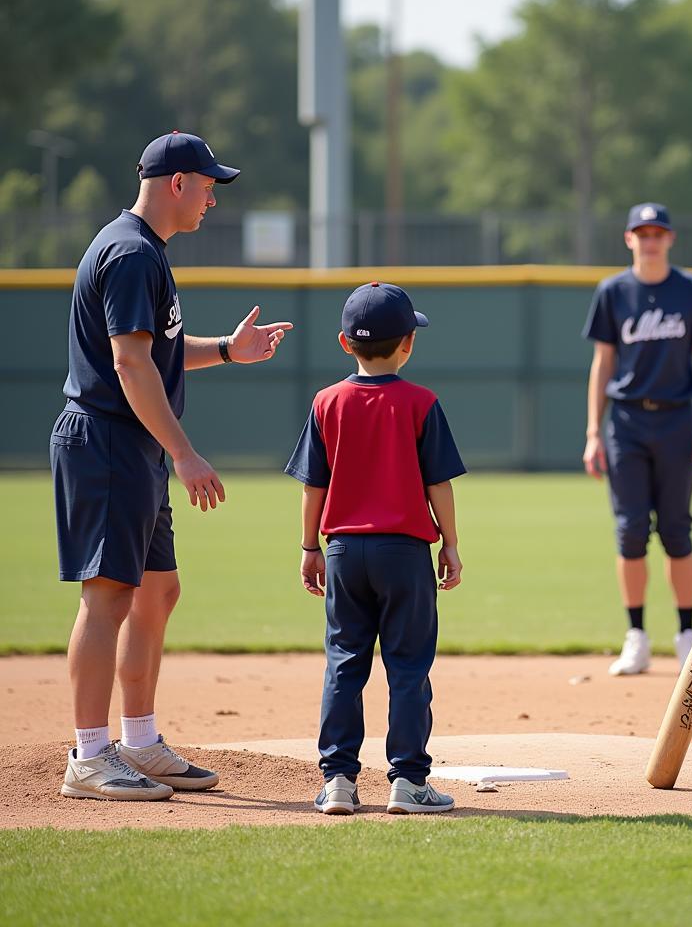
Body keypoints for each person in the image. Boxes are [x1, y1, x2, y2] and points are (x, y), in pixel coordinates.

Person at [53, 131, 293, 801]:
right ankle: (89, 755)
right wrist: (183, 452)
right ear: (176, 182)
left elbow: (152, 349)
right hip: (106, 442)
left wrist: (225, 349)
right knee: (108, 595)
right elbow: (129, 364)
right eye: (209, 185)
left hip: (132, 447)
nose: (213, 198)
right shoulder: (130, 253)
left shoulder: (143, 251)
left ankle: (138, 740)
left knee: (157, 591)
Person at [285, 281, 466, 815]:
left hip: (342, 551)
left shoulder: (326, 402)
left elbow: (312, 487)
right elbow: (440, 486)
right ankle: (408, 783)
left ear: (346, 343)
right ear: (408, 342)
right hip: (405, 553)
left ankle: (338, 780)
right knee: (408, 666)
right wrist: (451, 544)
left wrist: (308, 546)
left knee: (344, 662)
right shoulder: (421, 402)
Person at [582, 203, 692, 675]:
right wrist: (592, 432)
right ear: (628, 239)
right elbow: (602, 364)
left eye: (657, 232)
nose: (650, 240)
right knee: (631, 531)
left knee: (678, 528)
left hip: (677, 420)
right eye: (641, 233)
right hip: (625, 422)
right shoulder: (612, 292)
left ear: (670, 238)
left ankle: (686, 635)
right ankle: (636, 636)